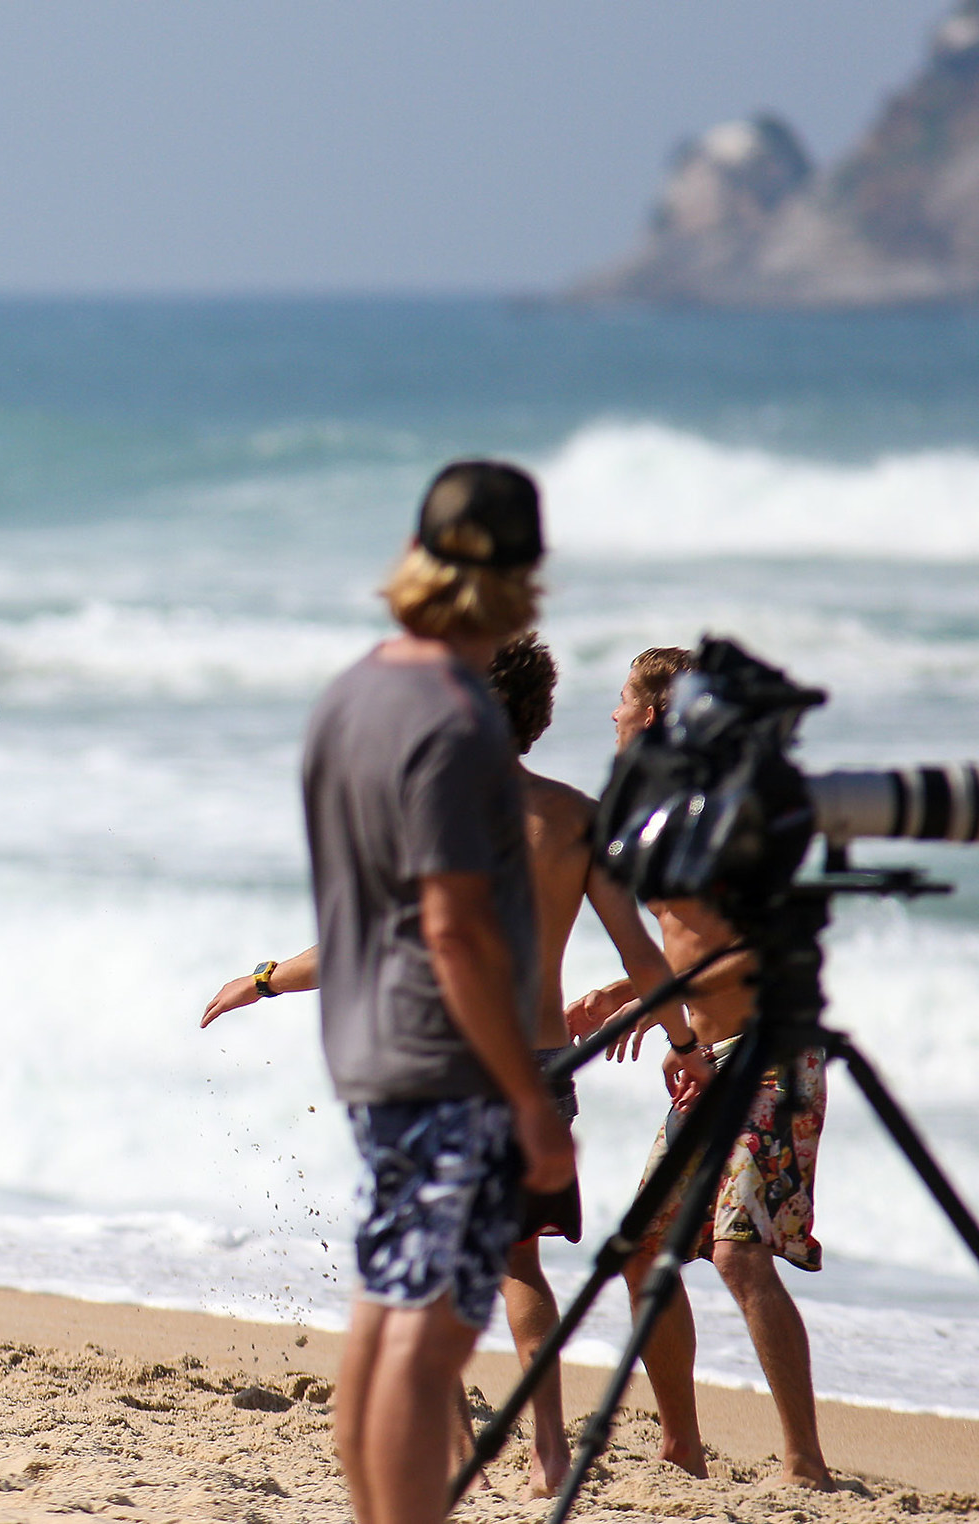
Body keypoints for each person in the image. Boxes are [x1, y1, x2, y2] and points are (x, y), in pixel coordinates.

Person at [203, 632, 708, 1499]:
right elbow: (648, 959)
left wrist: (264, 980)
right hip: (541, 1061)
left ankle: (448, 1453)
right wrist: (685, 1045)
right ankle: (550, 1446)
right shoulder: (577, 816)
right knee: (519, 1264)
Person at [294, 460, 574, 1524]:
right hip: (447, 1058)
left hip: (367, 1046)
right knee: (428, 1337)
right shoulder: (458, 722)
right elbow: (453, 931)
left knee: (384, 1318)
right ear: (520, 574)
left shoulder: (354, 691)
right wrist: (529, 1093)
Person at [565, 646, 834, 1490]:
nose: (609, 714)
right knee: (642, 1252)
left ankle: (806, 1464)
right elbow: (691, 941)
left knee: (737, 1253)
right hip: (706, 1061)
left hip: (765, 1056)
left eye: (619, 701)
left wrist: (653, 1008)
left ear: (650, 716)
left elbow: (758, 949)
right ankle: (682, 1440)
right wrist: (628, 988)